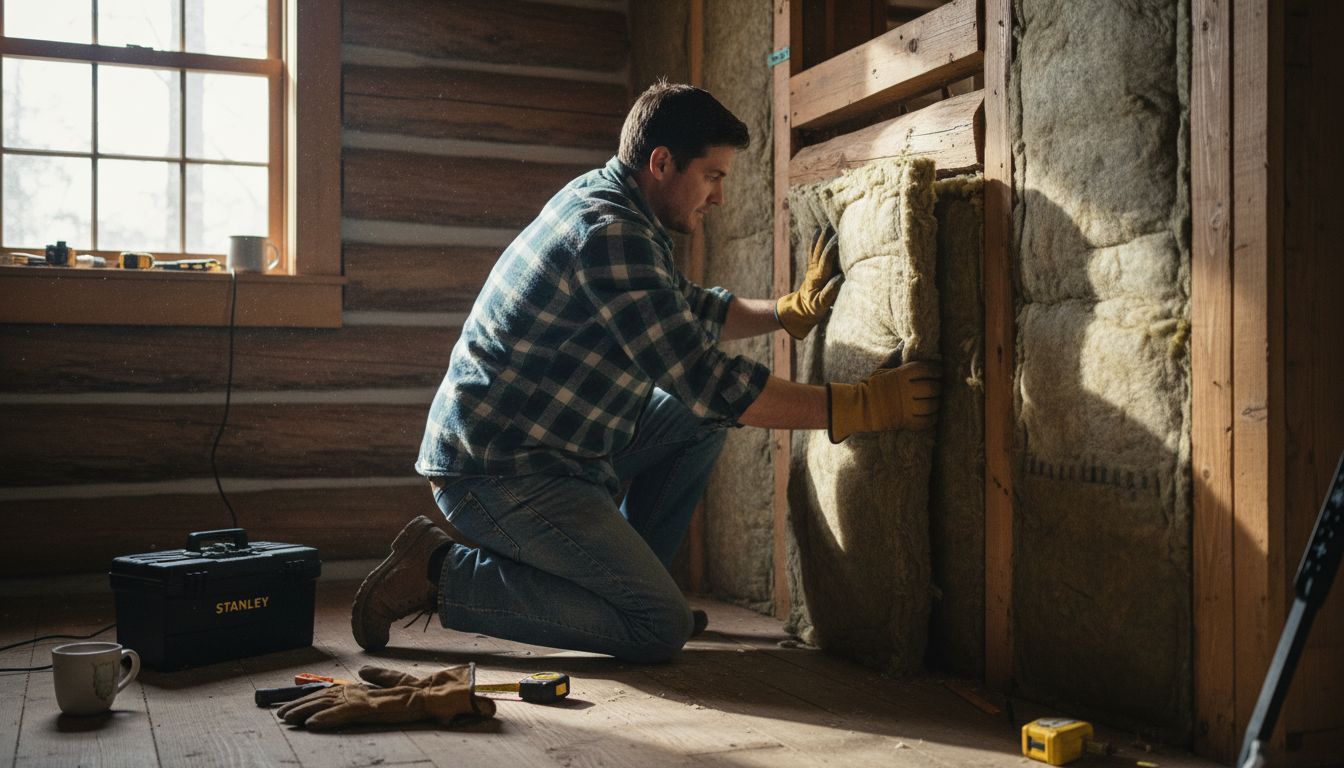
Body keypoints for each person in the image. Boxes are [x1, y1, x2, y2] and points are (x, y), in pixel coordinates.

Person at [351, 82, 941, 663]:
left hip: (557, 446)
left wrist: (786, 313)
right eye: (712, 176)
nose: (718, 197)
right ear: (661, 162)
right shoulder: (609, 231)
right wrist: (860, 407)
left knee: (697, 422)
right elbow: (706, 381)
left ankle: (632, 588)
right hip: (498, 471)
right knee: (658, 627)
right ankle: (438, 571)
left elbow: (680, 308)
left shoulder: (616, 201)